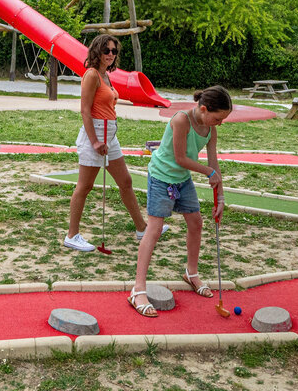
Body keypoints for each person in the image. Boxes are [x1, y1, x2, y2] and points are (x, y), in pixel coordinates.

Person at [128, 85, 232, 316]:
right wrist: (208, 172)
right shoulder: (181, 120)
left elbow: (214, 163)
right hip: (161, 177)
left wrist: (221, 197)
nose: (220, 123)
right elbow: (180, 158)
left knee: (196, 223)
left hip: (182, 180)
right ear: (204, 109)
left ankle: (191, 273)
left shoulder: (210, 129)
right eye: (218, 118)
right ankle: (138, 290)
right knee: (154, 229)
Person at [64, 34, 162, 251]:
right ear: (97, 51)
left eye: (114, 51)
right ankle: (72, 235)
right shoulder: (92, 75)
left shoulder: (105, 75)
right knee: (85, 186)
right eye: (106, 50)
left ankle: (142, 228)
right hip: (96, 135)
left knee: (125, 181)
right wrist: (95, 141)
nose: (110, 54)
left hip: (110, 135)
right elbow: (85, 110)